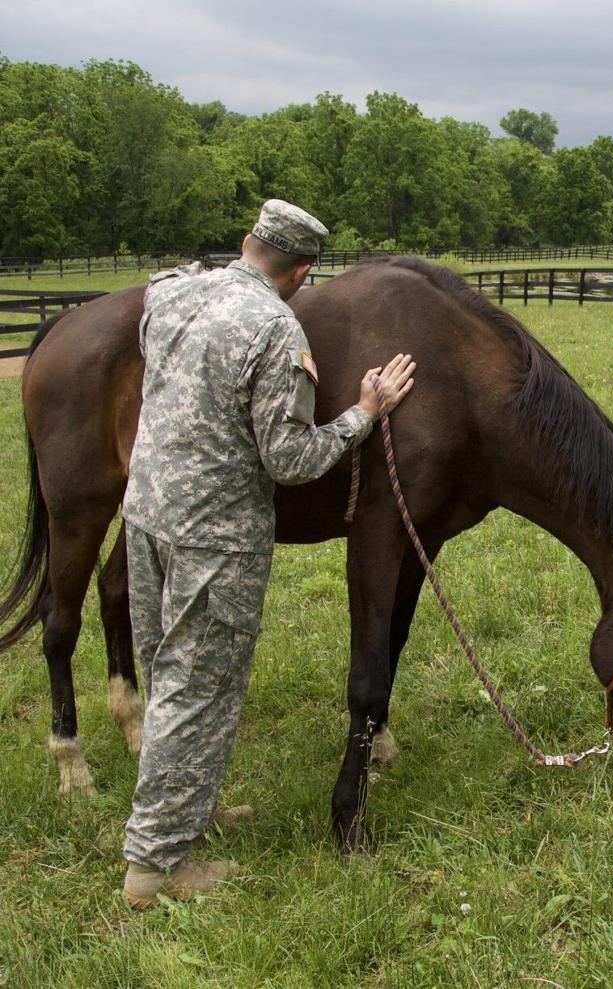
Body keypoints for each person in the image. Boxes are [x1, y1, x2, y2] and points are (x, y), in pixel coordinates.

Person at [120, 200, 415, 909]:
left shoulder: (171, 291)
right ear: (302, 271)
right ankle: (154, 867)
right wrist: (364, 413)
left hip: (147, 514)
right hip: (214, 540)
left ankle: (182, 809)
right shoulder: (275, 330)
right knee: (199, 689)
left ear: (249, 242)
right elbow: (289, 459)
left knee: (167, 676)